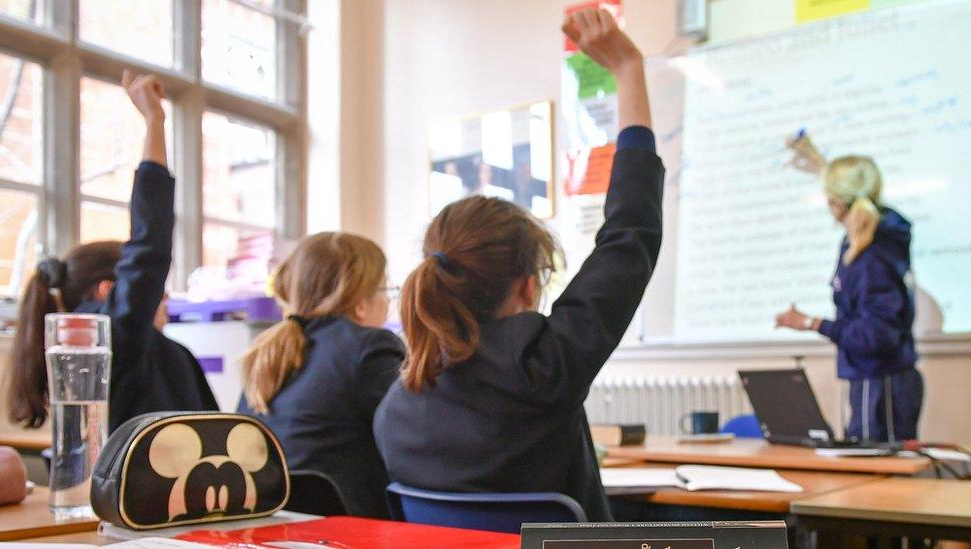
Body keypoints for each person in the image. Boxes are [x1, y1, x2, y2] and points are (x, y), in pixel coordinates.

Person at [373, 8, 663, 522]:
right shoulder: (544, 367)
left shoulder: (396, 407)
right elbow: (631, 233)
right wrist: (628, 70)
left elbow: (628, 236)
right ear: (527, 288)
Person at [8, 71, 218, 433]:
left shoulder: (159, 352)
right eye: (157, 289)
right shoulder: (109, 341)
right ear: (107, 290)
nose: (163, 296)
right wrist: (155, 122)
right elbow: (149, 245)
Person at [237, 233, 404, 519]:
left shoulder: (267, 353)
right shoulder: (370, 347)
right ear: (361, 304)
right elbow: (408, 442)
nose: (388, 303)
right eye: (386, 290)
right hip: (351, 528)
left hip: (274, 523)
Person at [776, 134, 922, 442]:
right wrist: (817, 162)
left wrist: (811, 323)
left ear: (836, 202)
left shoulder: (871, 256)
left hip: (880, 384)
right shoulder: (877, 238)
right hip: (876, 380)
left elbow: (875, 335)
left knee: (876, 480)